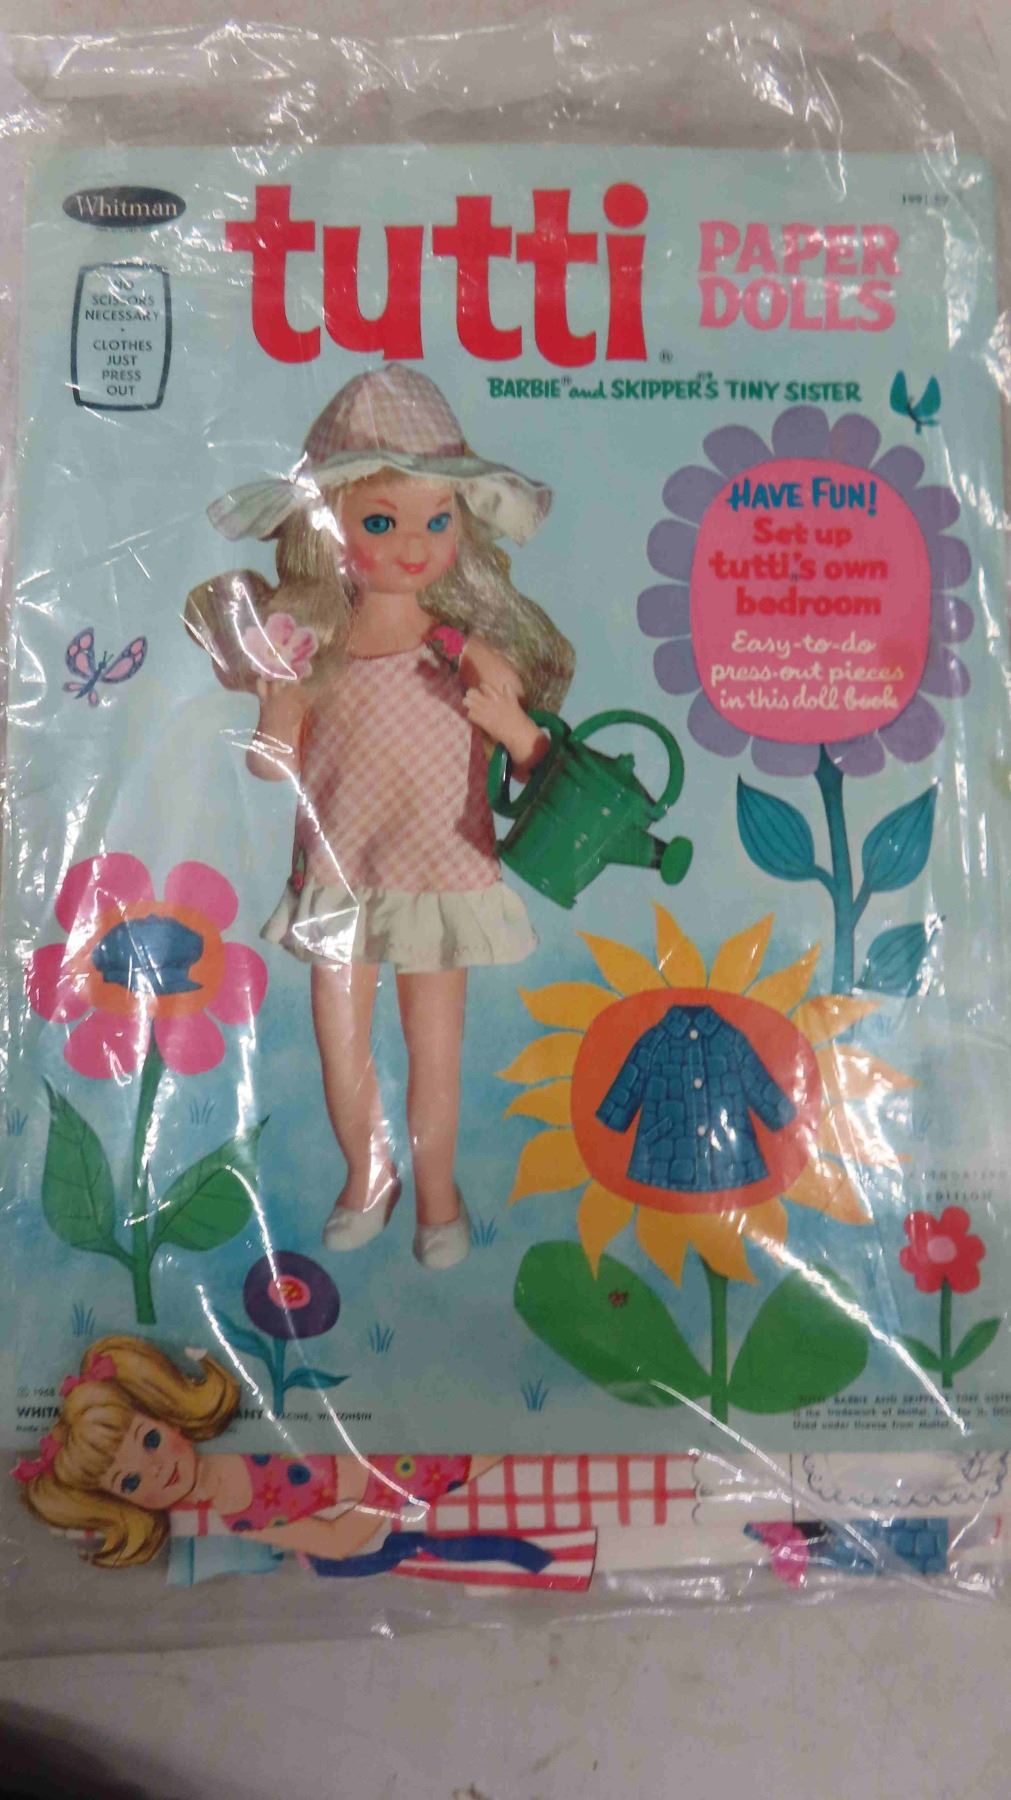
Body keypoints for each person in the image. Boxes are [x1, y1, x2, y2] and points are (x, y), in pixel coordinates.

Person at [185, 364, 574, 1267]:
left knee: (435, 1047)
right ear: (330, 527)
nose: (410, 547)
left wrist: (510, 725)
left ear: (461, 527)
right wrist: (272, 712)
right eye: (379, 522)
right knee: (340, 1038)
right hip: (340, 869)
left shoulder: (464, 648)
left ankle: (436, 1190)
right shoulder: (312, 647)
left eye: (436, 522)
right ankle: (369, 1173)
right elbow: (273, 755)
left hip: (441, 865)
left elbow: (533, 755)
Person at [12, 1337, 522, 1572]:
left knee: (495, 1405)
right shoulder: (242, 1516)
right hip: (409, 1480)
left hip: (390, 1404)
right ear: (123, 1502)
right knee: (506, 1442)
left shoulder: (255, 1410)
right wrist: (381, 1495)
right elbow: (336, 1542)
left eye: (149, 1440)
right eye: (129, 1482)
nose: (156, 1467)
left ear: (166, 1417)